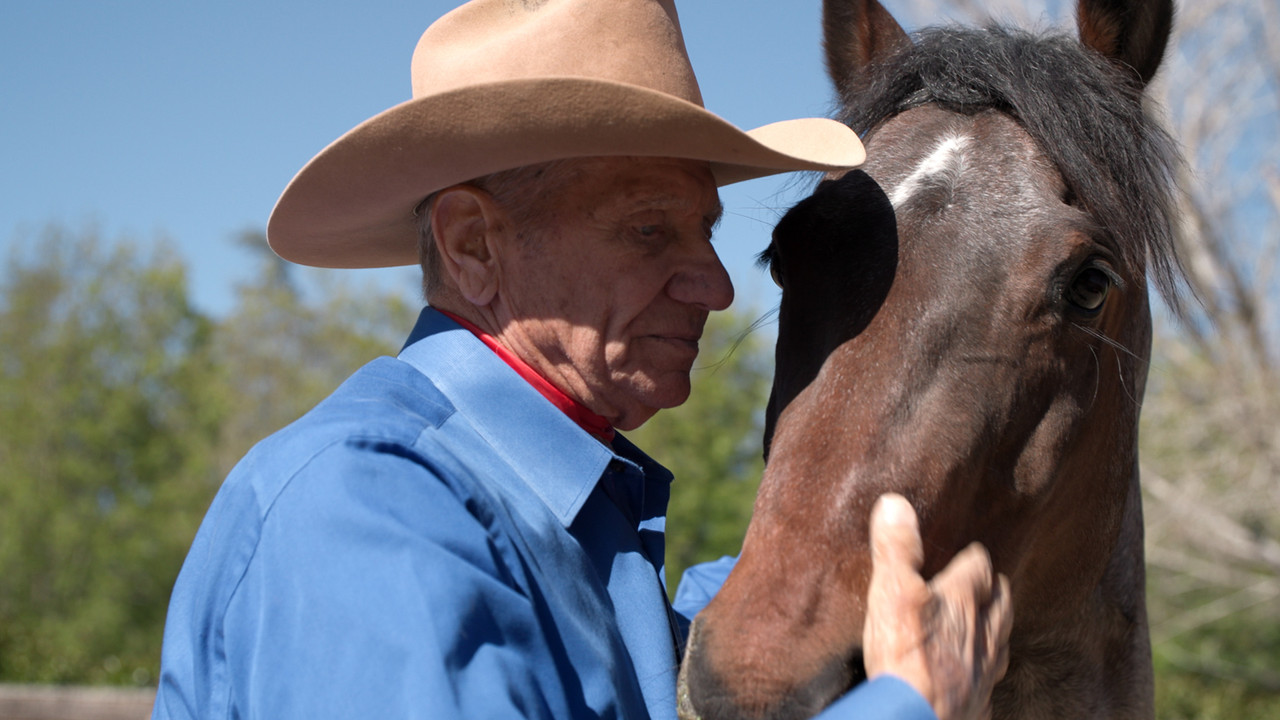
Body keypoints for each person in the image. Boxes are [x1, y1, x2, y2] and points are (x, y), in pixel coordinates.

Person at [152, 2, 1011, 719]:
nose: (716, 287)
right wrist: (909, 703)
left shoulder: (566, 516)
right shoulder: (362, 509)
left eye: (705, 230)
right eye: (648, 229)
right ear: (472, 244)